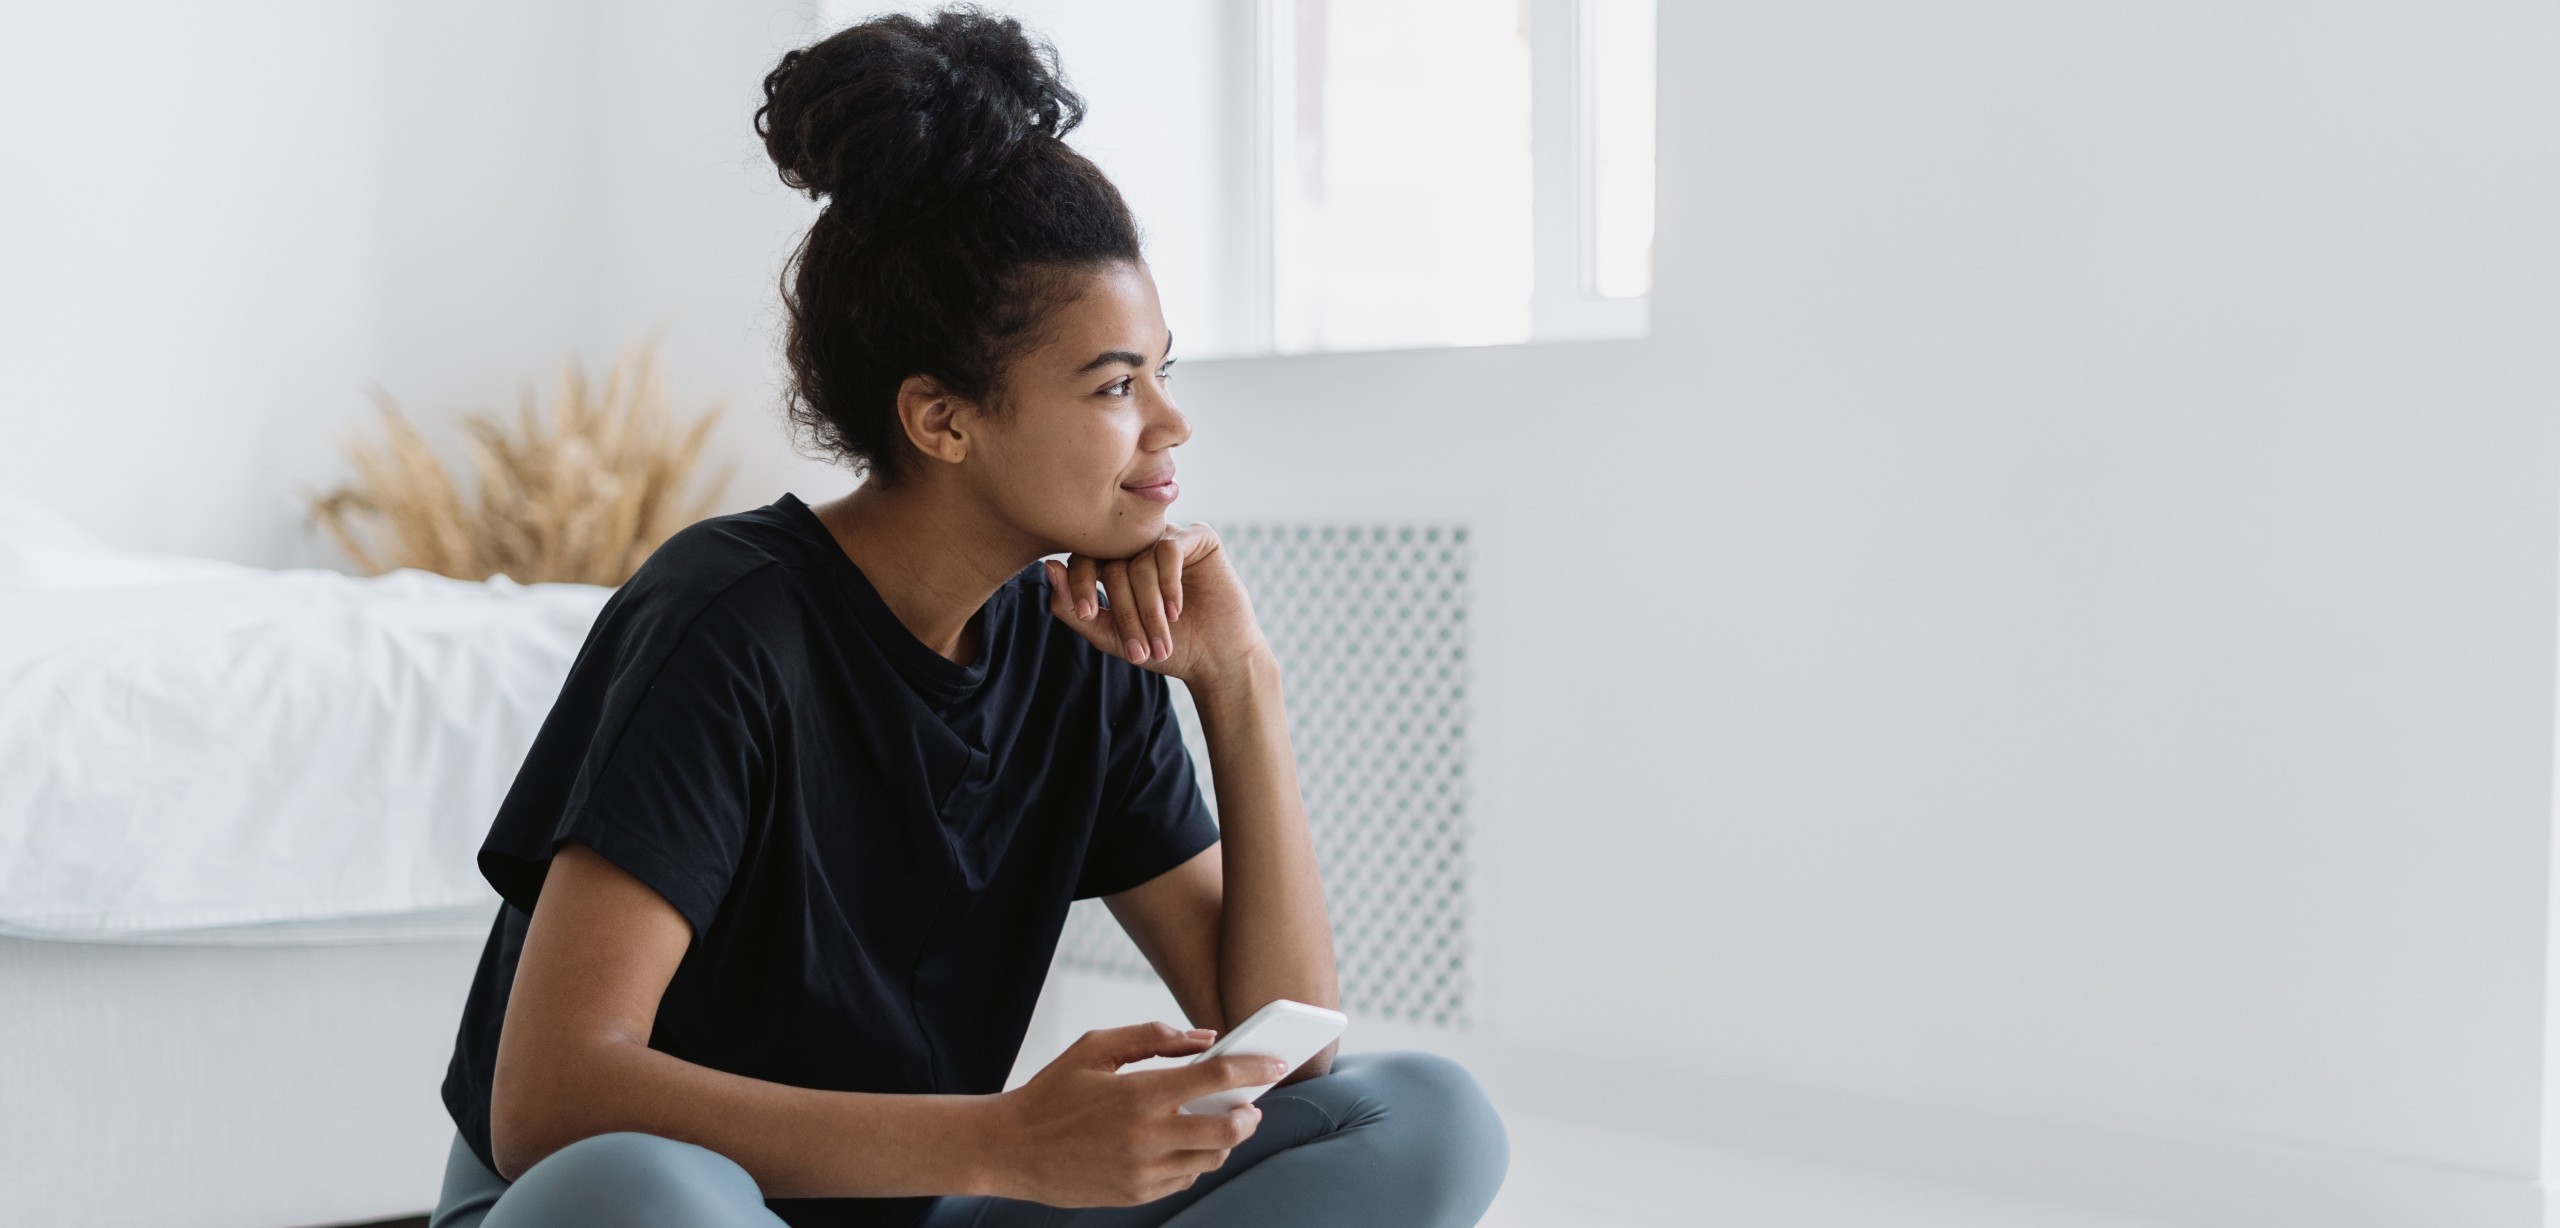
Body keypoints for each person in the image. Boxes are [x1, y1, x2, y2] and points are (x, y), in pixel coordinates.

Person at [426, 7, 1507, 1227]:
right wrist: (1005, 1140)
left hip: (927, 1205)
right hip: (625, 1207)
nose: (1169, 423)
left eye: (1163, 367)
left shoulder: (1075, 642)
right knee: (645, 1191)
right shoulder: (723, 622)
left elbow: (1277, 1054)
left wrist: (1237, 681)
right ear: (941, 420)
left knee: (1415, 1112)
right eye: (1113, 384)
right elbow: (552, 1101)